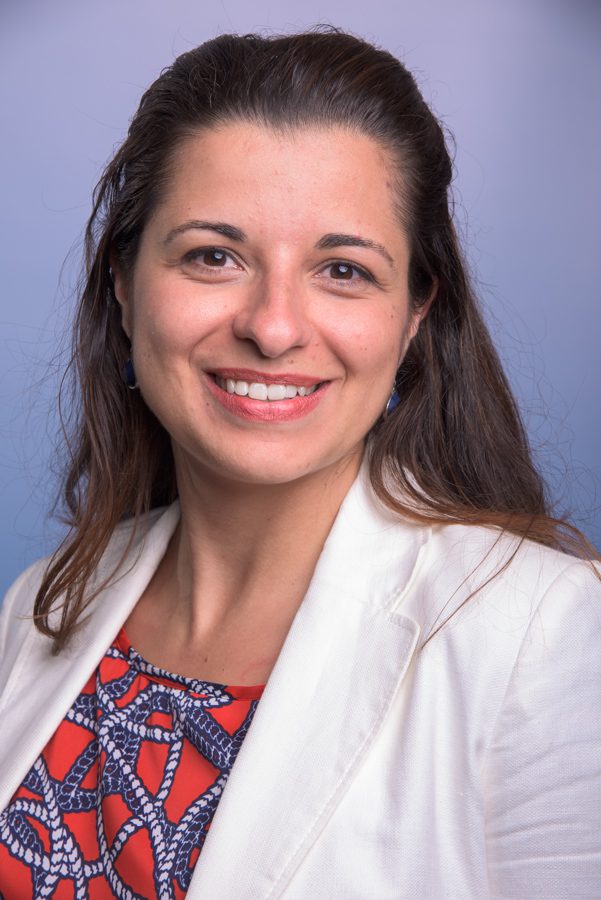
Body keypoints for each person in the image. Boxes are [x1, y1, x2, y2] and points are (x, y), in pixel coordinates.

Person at [0, 28, 599, 899]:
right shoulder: (44, 599)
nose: (273, 327)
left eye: (343, 270)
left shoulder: (546, 637)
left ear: (414, 316)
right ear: (125, 285)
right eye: (214, 256)